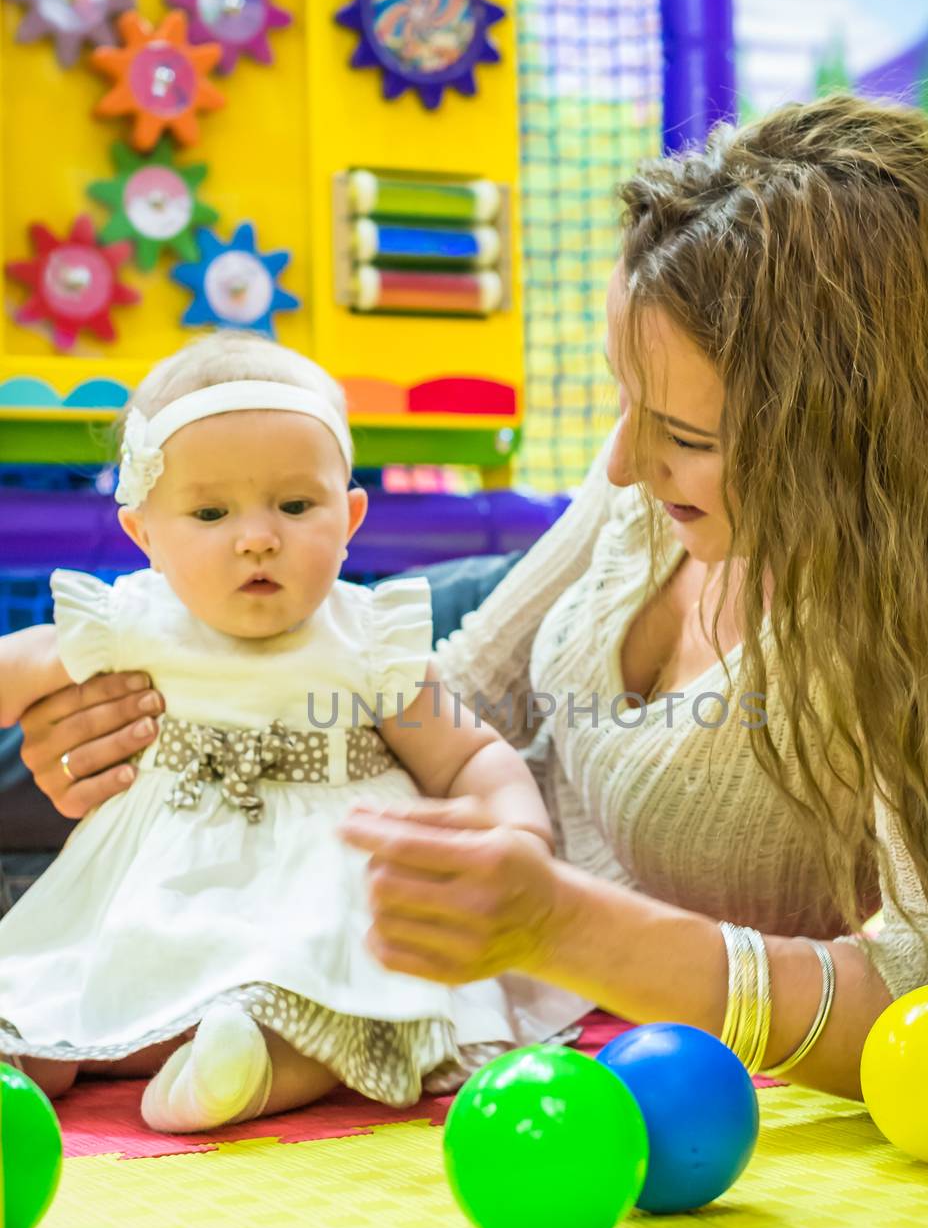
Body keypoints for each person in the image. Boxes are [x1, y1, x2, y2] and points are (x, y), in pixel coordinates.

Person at [16, 96, 928, 1103]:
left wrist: (563, 925)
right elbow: (460, 687)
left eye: (686, 439)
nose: (620, 469)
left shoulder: (917, 643)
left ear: (842, 444)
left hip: (511, 835)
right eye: (627, 403)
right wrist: (199, 731)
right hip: (466, 679)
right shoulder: (648, 502)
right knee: (95, 712)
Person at [0, 332, 588, 1131]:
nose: (256, 537)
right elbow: (19, 667)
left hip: (323, 891)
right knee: (63, 981)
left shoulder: (370, 638)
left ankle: (250, 1069)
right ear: (144, 535)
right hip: (160, 881)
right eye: (209, 512)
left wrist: (516, 829)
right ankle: (44, 1051)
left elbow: (469, 753)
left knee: (334, 1004)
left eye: (294, 505)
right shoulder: (134, 619)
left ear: (348, 518)